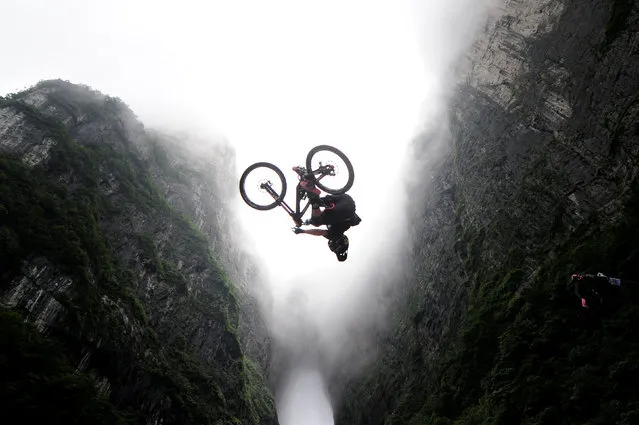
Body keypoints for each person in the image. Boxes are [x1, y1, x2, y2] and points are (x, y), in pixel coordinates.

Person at [291, 169, 361, 261]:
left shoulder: (339, 227)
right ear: (338, 243)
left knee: (318, 202)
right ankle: (312, 194)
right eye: (333, 247)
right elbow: (319, 232)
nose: (330, 244)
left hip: (344, 200)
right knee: (316, 220)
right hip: (344, 209)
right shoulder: (336, 234)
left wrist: (309, 221)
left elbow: (326, 216)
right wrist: (302, 231)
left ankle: (307, 177)